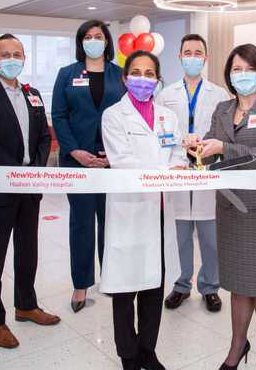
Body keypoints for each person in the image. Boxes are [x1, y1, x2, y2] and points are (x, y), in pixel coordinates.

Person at [193, 43, 256, 370]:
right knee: (237, 284)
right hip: (231, 207)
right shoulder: (222, 109)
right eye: (236, 69)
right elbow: (211, 149)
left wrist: (224, 147)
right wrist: (196, 147)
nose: (243, 75)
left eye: (249, 69)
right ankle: (237, 345)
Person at [0, 34, 60, 349]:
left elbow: (44, 138)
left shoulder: (33, 94)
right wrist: (16, 173)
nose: (11, 59)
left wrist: (33, 169)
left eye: (17, 54)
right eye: (5, 54)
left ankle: (26, 305)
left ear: (24, 58)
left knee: (27, 250)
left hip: (30, 186)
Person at [100, 50, 186, 370]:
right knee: (125, 289)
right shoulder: (113, 116)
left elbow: (177, 153)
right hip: (129, 210)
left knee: (154, 285)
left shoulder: (167, 117)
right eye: (136, 72)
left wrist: (178, 166)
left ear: (158, 79)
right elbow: (123, 161)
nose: (143, 79)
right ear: (125, 78)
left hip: (160, 210)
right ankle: (128, 355)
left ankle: (148, 350)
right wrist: (165, 174)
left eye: (150, 74)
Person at [51, 20, 125, 312]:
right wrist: (76, 151)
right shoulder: (67, 74)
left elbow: (127, 115)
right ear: (80, 42)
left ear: (107, 41)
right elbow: (59, 116)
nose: (93, 40)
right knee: (81, 223)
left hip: (113, 161)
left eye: (99, 36)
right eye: (88, 37)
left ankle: (110, 277)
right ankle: (81, 284)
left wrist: (114, 153)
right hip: (77, 161)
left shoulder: (119, 75)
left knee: (110, 223)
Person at [156, 34, 228, 313]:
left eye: (198, 53)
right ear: (180, 56)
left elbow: (223, 133)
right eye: (188, 52)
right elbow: (161, 132)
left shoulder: (219, 94)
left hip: (206, 170)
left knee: (210, 236)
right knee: (180, 235)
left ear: (205, 58)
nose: (193, 57)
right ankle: (181, 285)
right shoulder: (166, 94)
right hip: (178, 168)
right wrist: (179, 143)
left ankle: (210, 286)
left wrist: (206, 145)